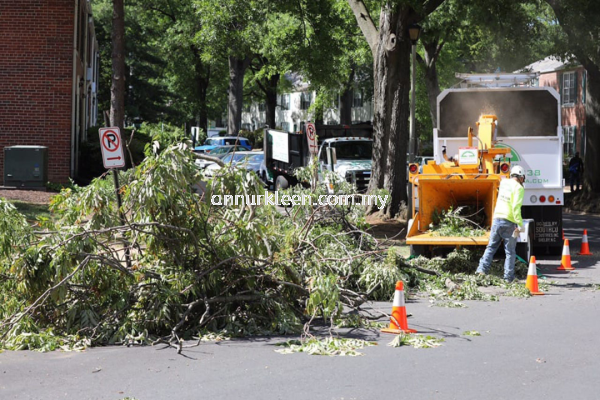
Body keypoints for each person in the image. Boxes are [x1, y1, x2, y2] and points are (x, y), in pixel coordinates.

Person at [476, 165, 525, 282]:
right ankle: (508, 278)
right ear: (521, 177)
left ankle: (481, 271)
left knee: (491, 247)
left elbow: (497, 178)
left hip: (497, 219)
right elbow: (515, 208)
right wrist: (520, 225)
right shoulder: (519, 188)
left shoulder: (503, 183)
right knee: (510, 252)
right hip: (509, 221)